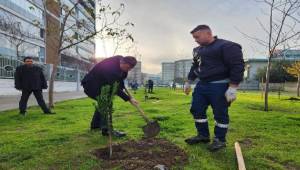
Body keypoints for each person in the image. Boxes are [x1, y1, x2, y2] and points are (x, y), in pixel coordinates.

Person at [184, 25, 244, 151]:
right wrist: (188, 82)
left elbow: (237, 66)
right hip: (202, 85)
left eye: (197, 37)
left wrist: (233, 87)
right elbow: (195, 67)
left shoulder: (227, 46)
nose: (195, 40)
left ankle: (219, 140)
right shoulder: (197, 50)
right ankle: (203, 135)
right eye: (194, 38)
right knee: (196, 109)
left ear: (208, 33)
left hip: (220, 85)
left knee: (220, 113)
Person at [81, 55, 139, 137]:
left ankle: (95, 126)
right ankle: (107, 130)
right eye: (127, 68)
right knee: (106, 102)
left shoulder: (121, 61)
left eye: (129, 69)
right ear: (123, 62)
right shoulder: (110, 69)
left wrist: (126, 91)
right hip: (91, 85)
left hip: (101, 85)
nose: (127, 70)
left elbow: (120, 80)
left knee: (103, 102)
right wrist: (129, 99)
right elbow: (115, 88)